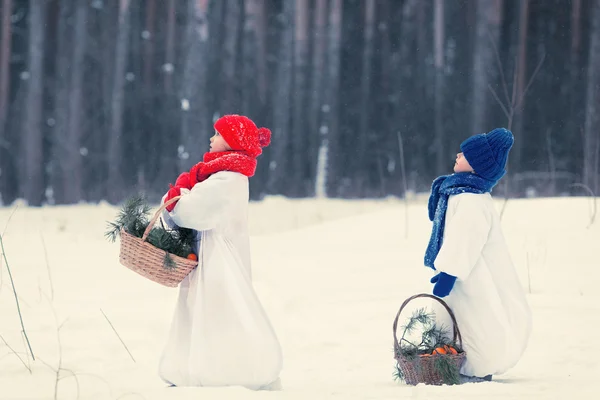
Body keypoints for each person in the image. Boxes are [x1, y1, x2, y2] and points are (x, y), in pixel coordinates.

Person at [158, 114, 283, 390]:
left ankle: (224, 372)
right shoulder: (220, 175)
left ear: (231, 141)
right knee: (206, 312)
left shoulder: (228, 179)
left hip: (219, 261)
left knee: (217, 312)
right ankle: (200, 367)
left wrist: (175, 197)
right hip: (212, 255)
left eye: (217, 134)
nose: (211, 139)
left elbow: (192, 211)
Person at [424, 128, 531, 382]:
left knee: (476, 318)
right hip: (466, 272)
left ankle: (477, 366)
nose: (458, 154)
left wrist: (449, 272)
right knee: (456, 316)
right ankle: (452, 361)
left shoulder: (472, 199)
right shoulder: (459, 191)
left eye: (466, 153)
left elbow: (465, 238)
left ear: (476, 165)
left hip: (474, 275)